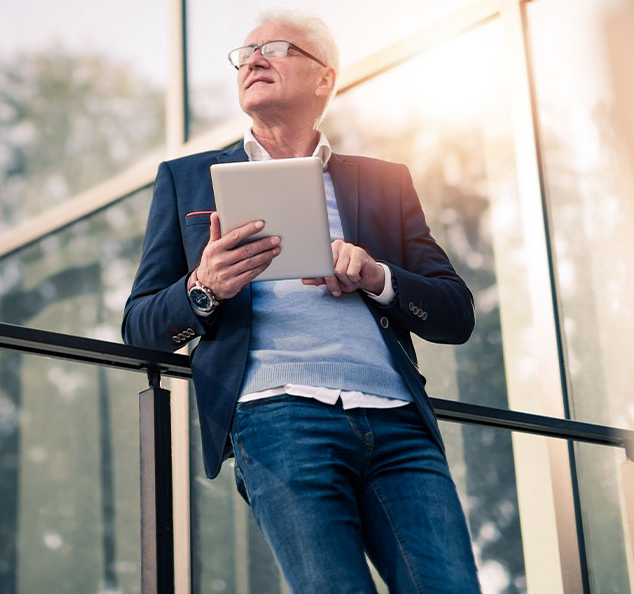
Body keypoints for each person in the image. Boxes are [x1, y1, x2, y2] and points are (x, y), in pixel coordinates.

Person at [122, 9, 481, 594]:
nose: (254, 59)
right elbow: (139, 327)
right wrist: (203, 286)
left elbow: (455, 312)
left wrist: (378, 276)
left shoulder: (384, 182)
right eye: (245, 53)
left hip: (399, 427)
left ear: (324, 79)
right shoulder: (185, 180)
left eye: (278, 47)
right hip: (278, 419)